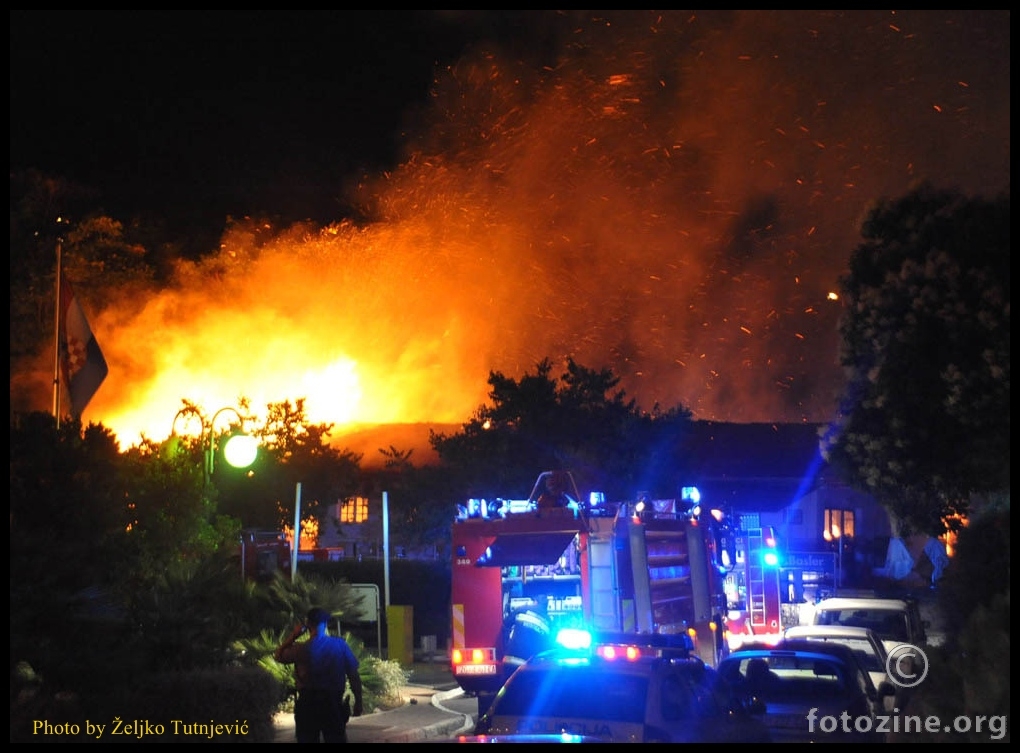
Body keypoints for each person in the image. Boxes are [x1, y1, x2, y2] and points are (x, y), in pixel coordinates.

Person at [275, 607, 364, 743]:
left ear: (308, 625)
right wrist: (358, 701)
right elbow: (353, 676)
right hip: (332, 704)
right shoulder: (340, 645)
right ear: (325, 624)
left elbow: (278, 656)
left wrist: (294, 635)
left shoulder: (300, 649)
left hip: (307, 705)